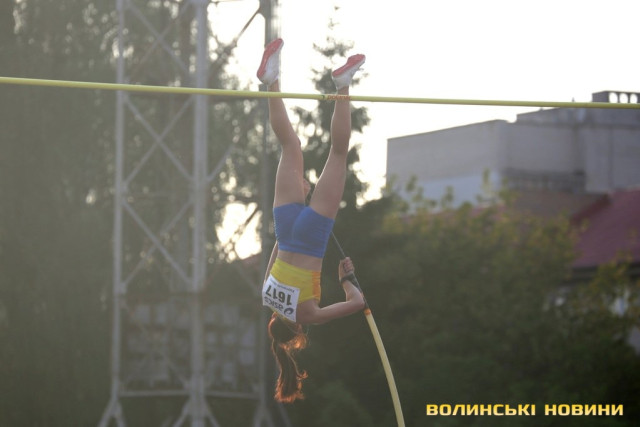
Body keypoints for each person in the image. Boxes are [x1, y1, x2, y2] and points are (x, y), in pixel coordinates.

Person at [257, 38, 366, 403]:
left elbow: (357, 303)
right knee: (290, 145)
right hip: (286, 226)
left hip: (311, 236)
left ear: (297, 332)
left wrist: (346, 280)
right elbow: (276, 252)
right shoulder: (267, 296)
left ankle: (343, 85)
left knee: (338, 152)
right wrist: (299, 205)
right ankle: (272, 80)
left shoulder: (308, 314)